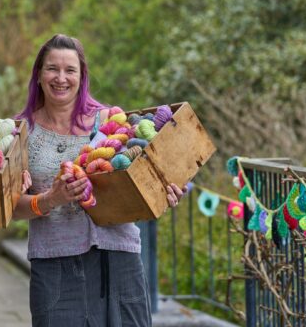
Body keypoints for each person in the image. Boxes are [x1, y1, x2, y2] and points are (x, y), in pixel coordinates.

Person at [13, 34, 184, 327]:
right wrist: (51, 198)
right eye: (52, 68)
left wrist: (164, 192)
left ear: (82, 77)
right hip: (55, 267)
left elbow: (143, 176)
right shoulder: (22, 133)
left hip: (118, 259)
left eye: (70, 70)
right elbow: (12, 207)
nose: (61, 78)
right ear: (39, 75)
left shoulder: (110, 121)